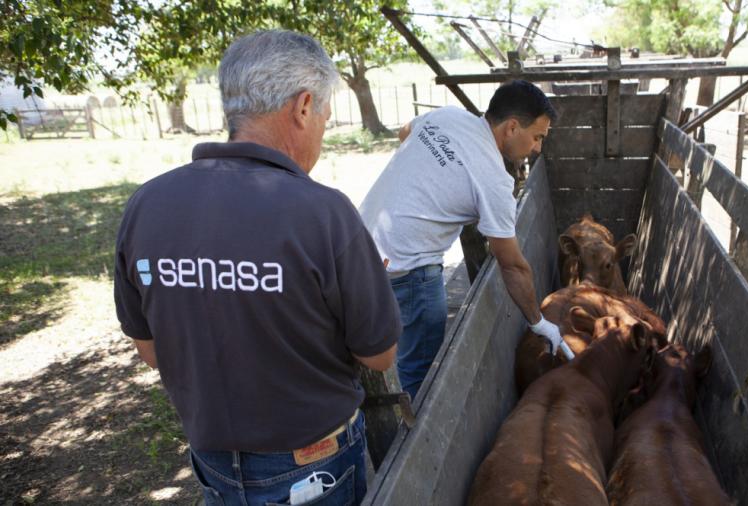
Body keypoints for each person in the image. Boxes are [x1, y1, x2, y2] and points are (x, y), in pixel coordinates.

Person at [113, 30, 400, 506]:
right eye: (325, 119)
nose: (322, 133)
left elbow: (150, 350)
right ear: (304, 106)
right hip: (313, 467)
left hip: (213, 461)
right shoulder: (324, 213)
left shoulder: (147, 204)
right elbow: (380, 356)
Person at [359, 79, 563, 400]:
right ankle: (418, 440)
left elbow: (404, 133)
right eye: (537, 137)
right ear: (511, 127)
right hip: (409, 270)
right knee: (420, 371)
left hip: (357, 247)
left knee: (362, 351)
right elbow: (512, 266)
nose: (537, 147)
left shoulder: (449, 116)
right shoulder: (495, 182)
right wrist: (538, 322)